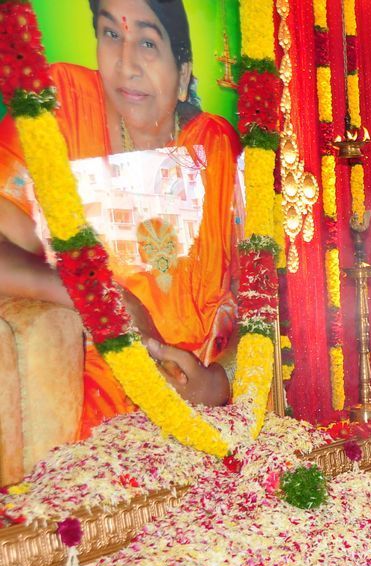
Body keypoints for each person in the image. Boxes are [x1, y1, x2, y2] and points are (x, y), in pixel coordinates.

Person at [0, 0, 242, 438]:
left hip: (206, 421)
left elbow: (259, 300)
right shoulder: (60, 107)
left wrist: (218, 383)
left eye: (148, 42)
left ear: (184, 73)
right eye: (111, 34)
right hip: (86, 425)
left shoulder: (215, 147)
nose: (126, 64)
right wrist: (103, 301)